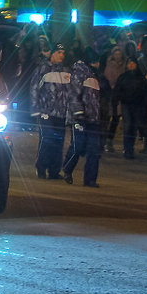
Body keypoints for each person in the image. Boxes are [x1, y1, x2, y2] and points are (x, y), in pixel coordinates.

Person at [31, 43, 73, 180]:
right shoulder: (43, 68)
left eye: (63, 53)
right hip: (46, 112)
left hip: (61, 113)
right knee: (47, 140)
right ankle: (41, 168)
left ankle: (54, 171)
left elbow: (70, 92)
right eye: (59, 52)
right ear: (53, 53)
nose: (62, 55)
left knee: (58, 142)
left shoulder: (66, 71)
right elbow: (34, 88)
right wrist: (35, 108)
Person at [62, 47, 102, 187]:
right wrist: (78, 112)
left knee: (94, 150)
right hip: (79, 118)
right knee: (77, 147)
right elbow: (74, 94)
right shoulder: (80, 73)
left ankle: (90, 180)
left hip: (93, 118)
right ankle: (67, 169)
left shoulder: (94, 74)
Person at [113, 58, 147, 160]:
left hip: (137, 105)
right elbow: (117, 90)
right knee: (128, 126)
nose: (131, 65)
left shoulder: (140, 78)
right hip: (126, 104)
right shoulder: (123, 77)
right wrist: (117, 100)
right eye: (129, 63)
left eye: (133, 63)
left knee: (133, 127)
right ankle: (127, 149)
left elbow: (145, 92)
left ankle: (130, 148)